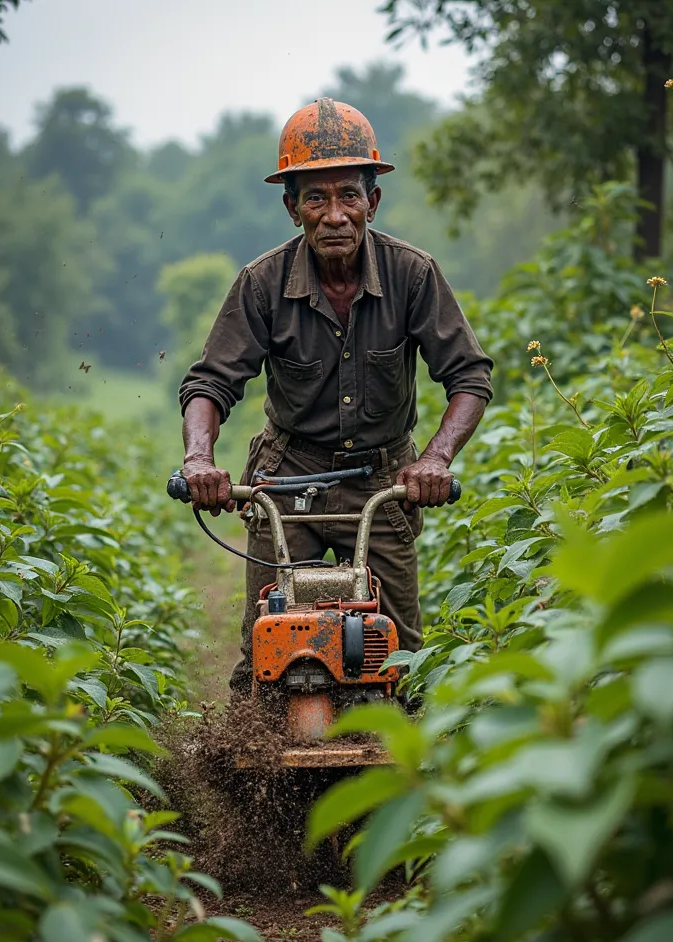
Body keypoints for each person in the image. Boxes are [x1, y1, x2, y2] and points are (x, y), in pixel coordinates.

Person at [179, 98, 493, 693]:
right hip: (289, 475)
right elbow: (210, 382)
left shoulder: (413, 275)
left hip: (383, 477)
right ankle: (252, 766)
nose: (334, 216)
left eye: (349, 194)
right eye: (315, 198)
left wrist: (434, 460)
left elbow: (469, 377)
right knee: (266, 645)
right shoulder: (262, 283)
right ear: (291, 207)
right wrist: (199, 460)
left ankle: (407, 768)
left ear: (372, 202)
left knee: (400, 654)